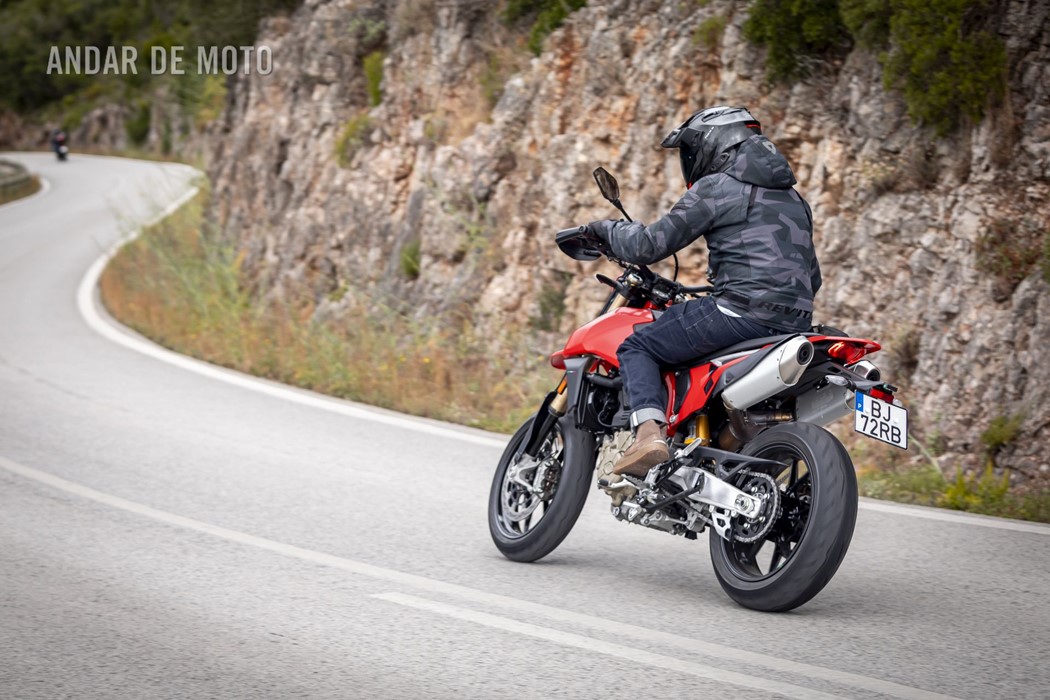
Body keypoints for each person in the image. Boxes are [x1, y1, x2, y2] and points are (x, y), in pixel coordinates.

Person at [587, 105, 822, 477]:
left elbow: (647, 246)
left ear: (716, 144)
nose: (690, 159)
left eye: (691, 150)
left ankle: (648, 435)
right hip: (795, 324)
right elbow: (813, 278)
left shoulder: (718, 188)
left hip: (740, 313)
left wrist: (604, 230)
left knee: (638, 346)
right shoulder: (795, 201)